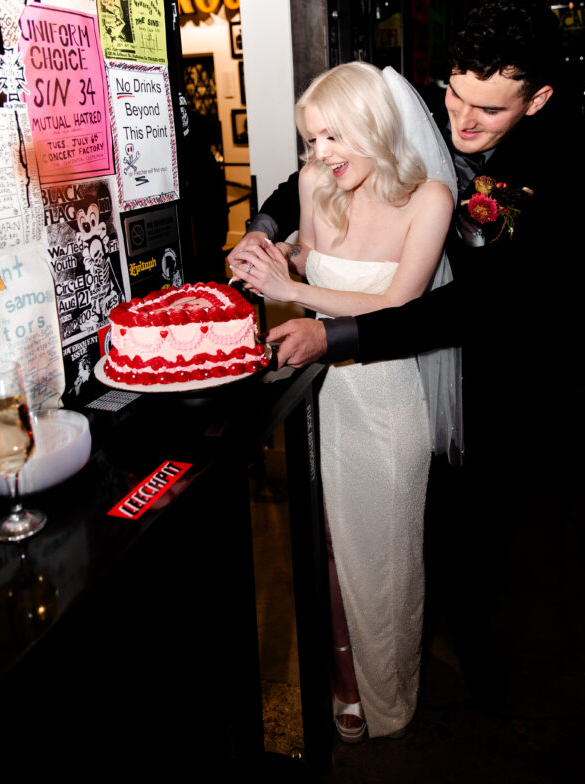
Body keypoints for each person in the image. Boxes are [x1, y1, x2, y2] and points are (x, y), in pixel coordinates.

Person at [230, 0, 585, 707]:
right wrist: (268, 225)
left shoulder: (558, 177)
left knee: (472, 522)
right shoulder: (421, 106)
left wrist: (330, 330)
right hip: (392, 336)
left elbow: (464, 306)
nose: (460, 120)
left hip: (491, 356)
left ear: (537, 99)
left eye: (488, 112)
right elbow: (320, 168)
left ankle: (476, 649)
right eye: (455, 93)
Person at [230, 61, 459, 741]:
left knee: (381, 558)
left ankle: (387, 687)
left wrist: (293, 290)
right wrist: (265, 246)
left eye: (334, 137)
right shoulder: (313, 185)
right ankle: (341, 677)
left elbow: (397, 304)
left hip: (385, 406)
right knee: (322, 550)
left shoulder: (432, 198)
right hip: (313, 399)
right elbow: (303, 253)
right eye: (311, 141)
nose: (322, 155)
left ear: (374, 125)